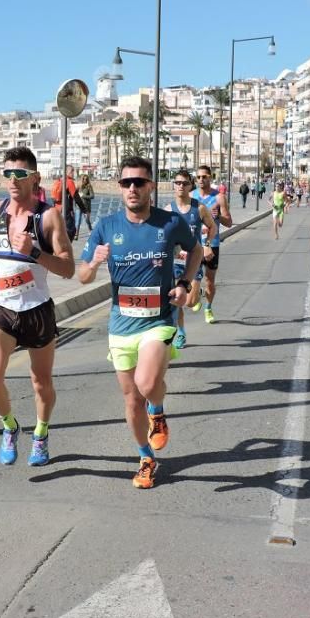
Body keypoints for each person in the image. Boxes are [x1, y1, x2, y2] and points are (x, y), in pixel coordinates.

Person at [79, 156, 202, 489]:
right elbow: (82, 276)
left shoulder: (170, 222)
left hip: (158, 320)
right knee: (131, 400)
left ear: (151, 186)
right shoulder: (106, 227)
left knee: (147, 385)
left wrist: (185, 284)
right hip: (121, 325)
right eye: (126, 183)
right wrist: (94, 264)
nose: (132, 188)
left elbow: (197, 250)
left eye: (139, 182)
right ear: (120, 188)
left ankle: (158, 411)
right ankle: (146, 457)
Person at [0, 147, 74, 467]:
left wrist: (33, 253)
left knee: (40, 382)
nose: (13, 181)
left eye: (19, 174)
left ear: (35, 178)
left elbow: (68, 268)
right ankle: (10, 426)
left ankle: (41, 434)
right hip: (0, 308)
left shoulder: (49, 216)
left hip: (37, 309)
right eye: (7, 174)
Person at [164, 169, 216, 348]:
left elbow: (212, 227)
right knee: (177, 299)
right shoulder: (168, 210)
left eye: (184, 183)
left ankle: (198, 294)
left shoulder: (199, 207)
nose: (180, 186)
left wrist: (207, 244)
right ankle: (181, 332)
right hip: (175, 261)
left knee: (190, 302)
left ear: (190, 185)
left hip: (193, 260)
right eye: (177, 183)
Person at [191, 165, 232, 324]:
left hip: (212, 244)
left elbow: (229, 222)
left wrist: (219, 216)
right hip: (194, 245)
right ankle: (196, 295)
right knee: (192, 279)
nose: (201, 179)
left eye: (205, 176)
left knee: (209, 281)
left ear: (210, 178)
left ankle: (208, 307)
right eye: (199, 177)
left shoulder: (219, 198)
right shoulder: (190, 196)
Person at [51, 165, 77, 241]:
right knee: (70, 230)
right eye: (72, 171)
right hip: (65, 210)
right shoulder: (69, 182)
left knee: (59, 228)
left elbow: (55, 197)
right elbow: (76, 198)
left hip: (57, 209)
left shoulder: (58, 181)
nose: (73, 173)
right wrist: (84, 210)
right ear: (68, 172)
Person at [76, 173, 95, 238]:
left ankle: (90, 230)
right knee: (78, 221)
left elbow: (92, 196)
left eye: (86, 179)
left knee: (87, 220)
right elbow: (75, 195)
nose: (85, 180)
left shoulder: (89, 186)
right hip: (79, 206)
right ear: (82, 179)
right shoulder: (79, 186)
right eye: (83, 179)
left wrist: (84, 196)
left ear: (87, 180)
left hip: (86, 207)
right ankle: (76, 234)